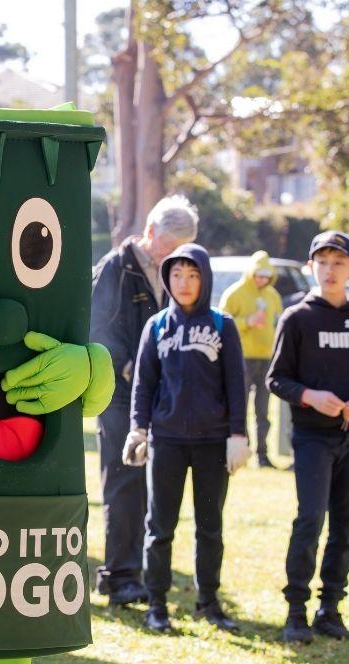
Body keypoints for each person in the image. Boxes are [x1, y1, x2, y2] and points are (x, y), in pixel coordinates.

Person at [267, 231, 349, 643]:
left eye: (339, 262)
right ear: (310, 268)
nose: (331, 269)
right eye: (322, 261)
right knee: (309, 520)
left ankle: (331, 608)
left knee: (345, 525)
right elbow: (276, 379)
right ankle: (296, 610)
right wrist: (309, 396)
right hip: (312, 438)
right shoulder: (297, 318)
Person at [123, 243, 249, 633]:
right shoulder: (156, 326)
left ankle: (208, 602)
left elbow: (236, 384)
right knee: (159, 526)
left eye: (193, 275)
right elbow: (144, 383)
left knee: (210, 526)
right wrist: (138, 428)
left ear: (205, 279)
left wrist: (238, 434)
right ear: (168, 278)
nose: (184, 282)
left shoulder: (222, 324)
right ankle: (157, 605)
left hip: (213, 443)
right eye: (177, 274)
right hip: (167, 441)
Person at [89, 195, 197, 607]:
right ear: (150, 233)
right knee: (123, 478)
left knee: (153, 482)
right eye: (170, 248)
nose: (176, 259)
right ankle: (118, 575)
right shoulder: (115, 269)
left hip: (159, 394)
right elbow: (95, 328)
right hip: (117, 394)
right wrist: (127, 365)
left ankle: (142, 570)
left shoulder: (174, 273)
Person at [219, 250, 283, 468]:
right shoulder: (235, 293)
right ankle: (241, 451)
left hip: (266, 358)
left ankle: (263, 454)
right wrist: (247, 321)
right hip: (241, 359)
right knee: (240, 406)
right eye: (258, 275)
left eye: (266, 276)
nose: (262, 280)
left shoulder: (272, 295)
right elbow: (222, 325)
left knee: (263, 410)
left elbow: (278, 322)